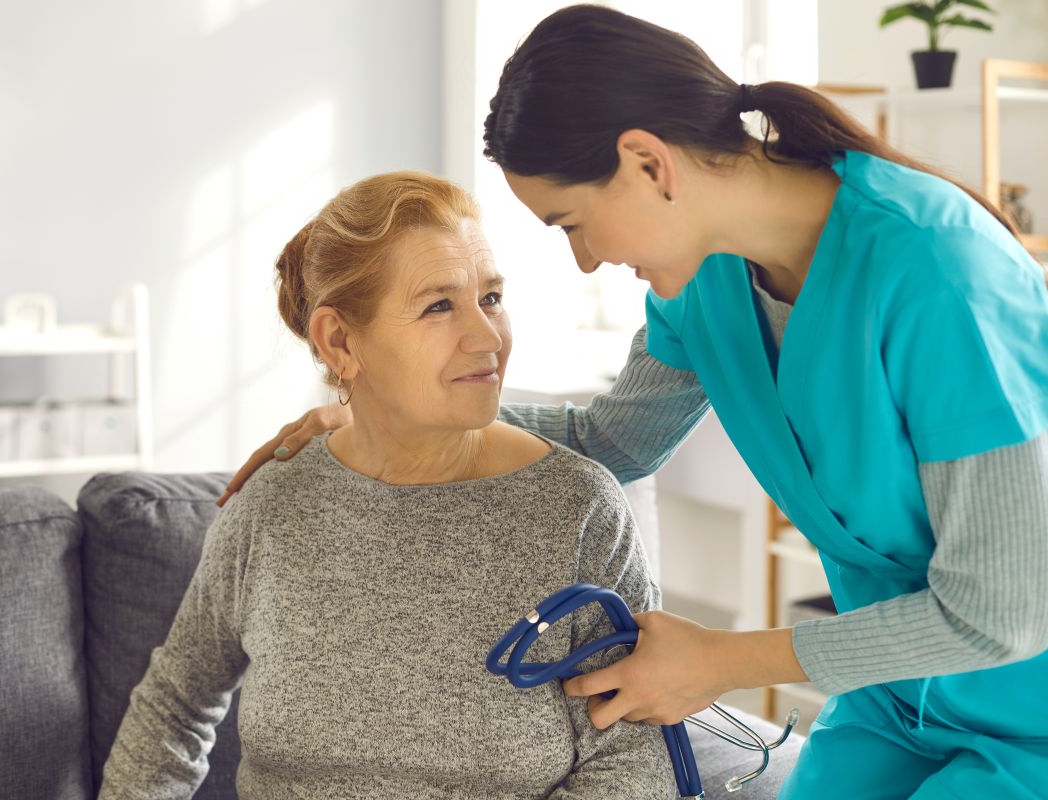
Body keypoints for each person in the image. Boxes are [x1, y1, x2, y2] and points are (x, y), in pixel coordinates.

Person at [216, 6, 1048, 798]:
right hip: (895, 698)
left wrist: (719, 660)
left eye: (572, 223)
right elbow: (611, 438)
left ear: (649, 164)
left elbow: (1000, 610)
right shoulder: (702, 288)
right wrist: (383, 411)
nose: (584, 261)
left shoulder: (941, 276)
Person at [100, 171, 677, 799]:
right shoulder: (273, 506)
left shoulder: (577, 509)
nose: (488, 338)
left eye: (490, 297)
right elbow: (173, 707)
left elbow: (631, 761)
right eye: (438, 305)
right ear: (341, 341)